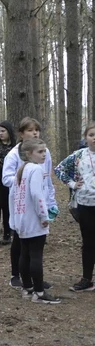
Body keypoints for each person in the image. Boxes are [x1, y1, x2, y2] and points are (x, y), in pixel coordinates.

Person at [2, 118, 57, 289]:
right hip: (21, 204)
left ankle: (34, 280)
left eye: (37, 130)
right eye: (30, 130)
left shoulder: (44, 153)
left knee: (34, 248)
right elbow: (6, 179)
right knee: (20, 243)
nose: (34, 133)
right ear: (21, 134)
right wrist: (25, 180)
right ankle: (16, 276)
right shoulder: (13, 155)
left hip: (39, 202)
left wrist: (50, 202)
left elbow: (47, 178)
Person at [10, 138, 60, 303]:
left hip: (23, 221)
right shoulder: (36, 170)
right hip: (34, 220)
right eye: (40, 151)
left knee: (25, 254)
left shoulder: (22, 170)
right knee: (35, 255)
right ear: (29, 153)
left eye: (45, 151)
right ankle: (39, 292)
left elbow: (14, 197)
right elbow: (37, 194)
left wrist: (15, 219)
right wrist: (44, 216)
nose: (44, 154)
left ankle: (27, 287)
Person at [54, 121, 95, 292]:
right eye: (91, 135)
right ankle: (87, 279)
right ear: (86, 138)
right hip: (85, 204)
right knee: (88, 242)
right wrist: (72, 183)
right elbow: (59, 169)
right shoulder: (78, 155)